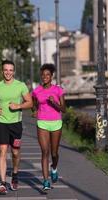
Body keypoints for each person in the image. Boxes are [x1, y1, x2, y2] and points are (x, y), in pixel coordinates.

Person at [0, 60, 33, 195]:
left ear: (14, 71)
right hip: (1, 123)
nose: (8, 72)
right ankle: (3, 184)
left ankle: (14, 174)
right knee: (2, 150)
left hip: (16, 124)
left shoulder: (21, 86)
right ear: (2, 71)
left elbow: (30, 102)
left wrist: (18, 106)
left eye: (10, 70)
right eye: (5, 70)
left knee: (15, 152)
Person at [32, 63, 66, 191]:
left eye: (48, 75)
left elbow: (64, 109)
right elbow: (33, 103)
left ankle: (54, 168)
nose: (45, 77)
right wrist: (34, 110)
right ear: (41, 76)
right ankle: (46, 181)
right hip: (42, 123)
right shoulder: (36, 91)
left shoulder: (58, 90)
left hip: (56, 123)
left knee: (54, 153)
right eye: (43, 75)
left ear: (52, 76)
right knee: (45, 152)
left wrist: (55, 103)